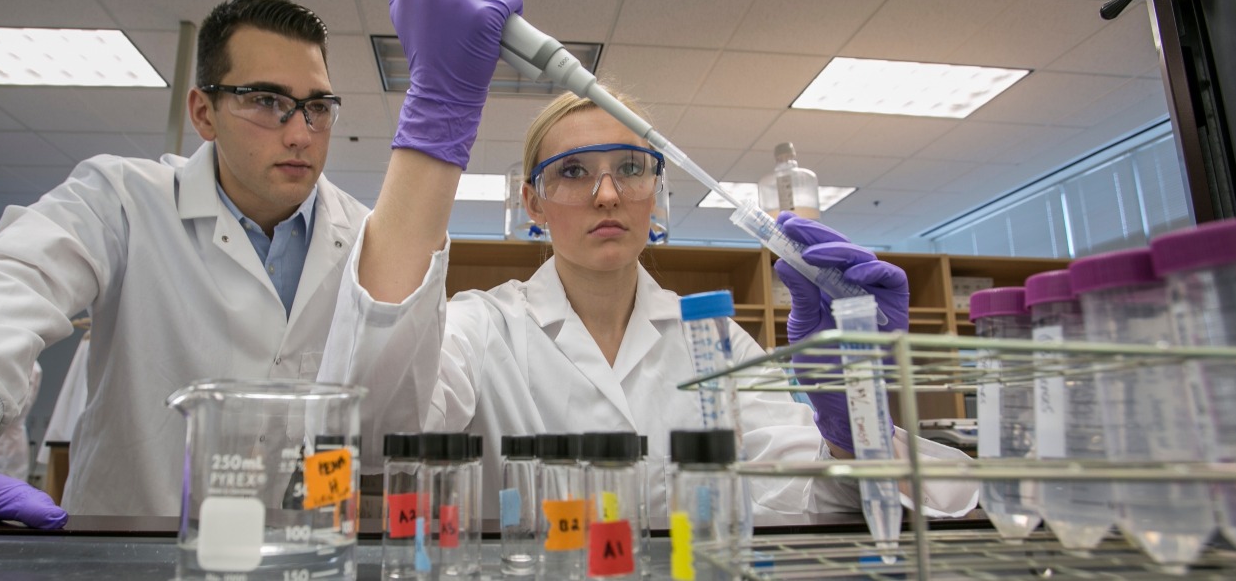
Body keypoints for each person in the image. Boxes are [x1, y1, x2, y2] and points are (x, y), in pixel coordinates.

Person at [0, 0, 521, 564]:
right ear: (203, 112)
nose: (300, 131)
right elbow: (3, 281)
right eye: (267, 102)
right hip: (135, 553)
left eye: (317, 106)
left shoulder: (369, 237)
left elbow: (390, 428)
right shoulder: (123, 200)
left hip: (301, 559)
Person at [320, 82, 979, 522]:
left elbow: (811, 497)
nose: (607, 194)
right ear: (532, 204)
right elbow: (372, 437)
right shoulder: (479, 324)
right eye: (573, 172)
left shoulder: (717, 340)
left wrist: (853, 425)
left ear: (656, 192)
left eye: (629, 169)